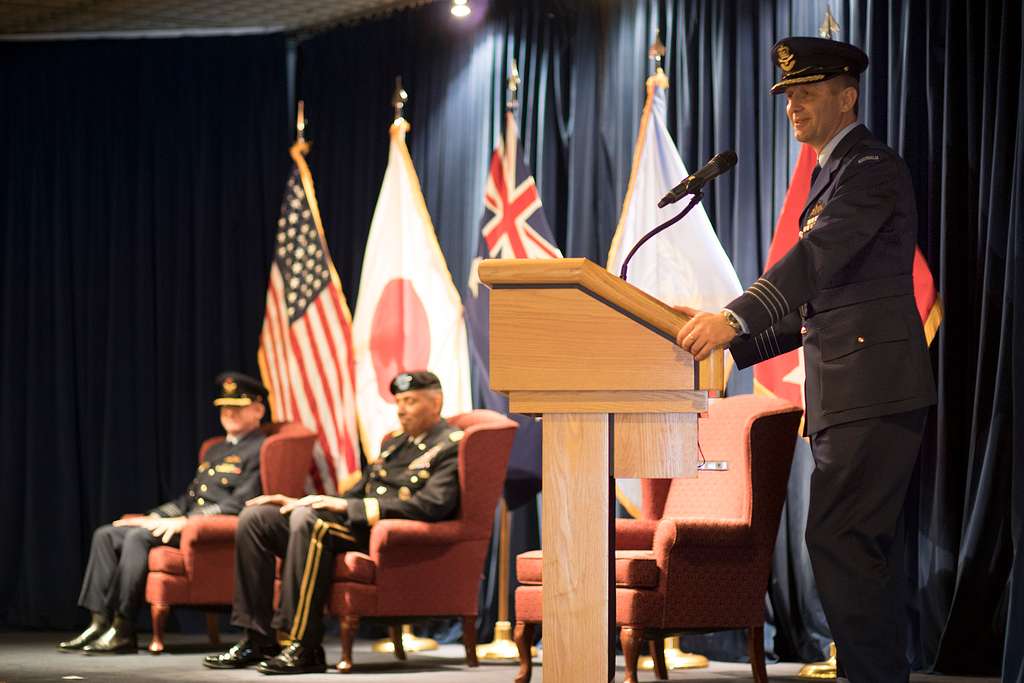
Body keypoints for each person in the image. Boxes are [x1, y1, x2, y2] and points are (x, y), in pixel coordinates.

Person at [676, 37, 936, 682]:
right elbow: (813, 309)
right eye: (788, 95)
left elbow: (814, 265)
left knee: (839, 540)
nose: (792, 105)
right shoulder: (831, 171)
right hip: (851, 389)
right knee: (852, 545)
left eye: (807, 93)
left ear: (847, 97)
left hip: (871, 386)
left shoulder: (870, 167)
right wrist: (733, 347)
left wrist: (734, 316)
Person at [204, 370, 463, 675]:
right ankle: (257, 638)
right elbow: (357, 490)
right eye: (399, 402)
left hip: (387, 534)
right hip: (355, 522)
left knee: (312, 522)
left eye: (411, 401)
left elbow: (431, 505)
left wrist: (345, 507)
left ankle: (303, 644)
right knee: (256, 518)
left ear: (436, 403)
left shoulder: (450, 444)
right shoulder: (395, 444)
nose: (401, 409)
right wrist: (301, 501)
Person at [58, 372, 268, 655]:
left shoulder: (263, 448)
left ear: (258, 409)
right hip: (184, 523)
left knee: (136, 539)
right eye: (224, 406)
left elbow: (243, 501)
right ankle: (99, 621)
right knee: (106, 534)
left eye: (237, 406)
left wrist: (188, 521)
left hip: (206, 532)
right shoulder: (215, 448)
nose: (228, 412)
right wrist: (155, 516)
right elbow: (189, 498)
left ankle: (123, 627)